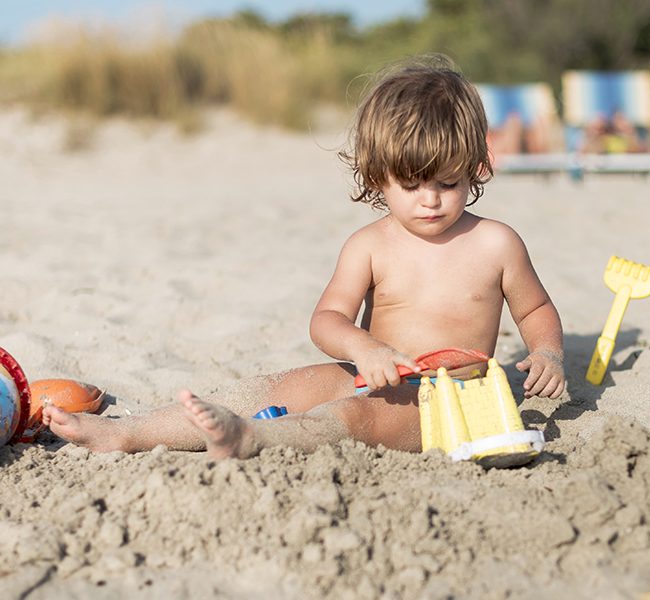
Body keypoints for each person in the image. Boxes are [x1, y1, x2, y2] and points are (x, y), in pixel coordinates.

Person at [42, 55, 565, 460]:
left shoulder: (496, 243)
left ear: (476, 169)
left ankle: (251, 439)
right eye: (410, 184)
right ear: (377, 175)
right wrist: (364, 348)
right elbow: (328, 319)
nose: (429, 199)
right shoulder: (370, 244)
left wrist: (548, 354)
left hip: (444, 399)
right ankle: (126, 432)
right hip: (369, 369)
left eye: (446, 182)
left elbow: (535, 310)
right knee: (275, 386)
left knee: (353, 418)